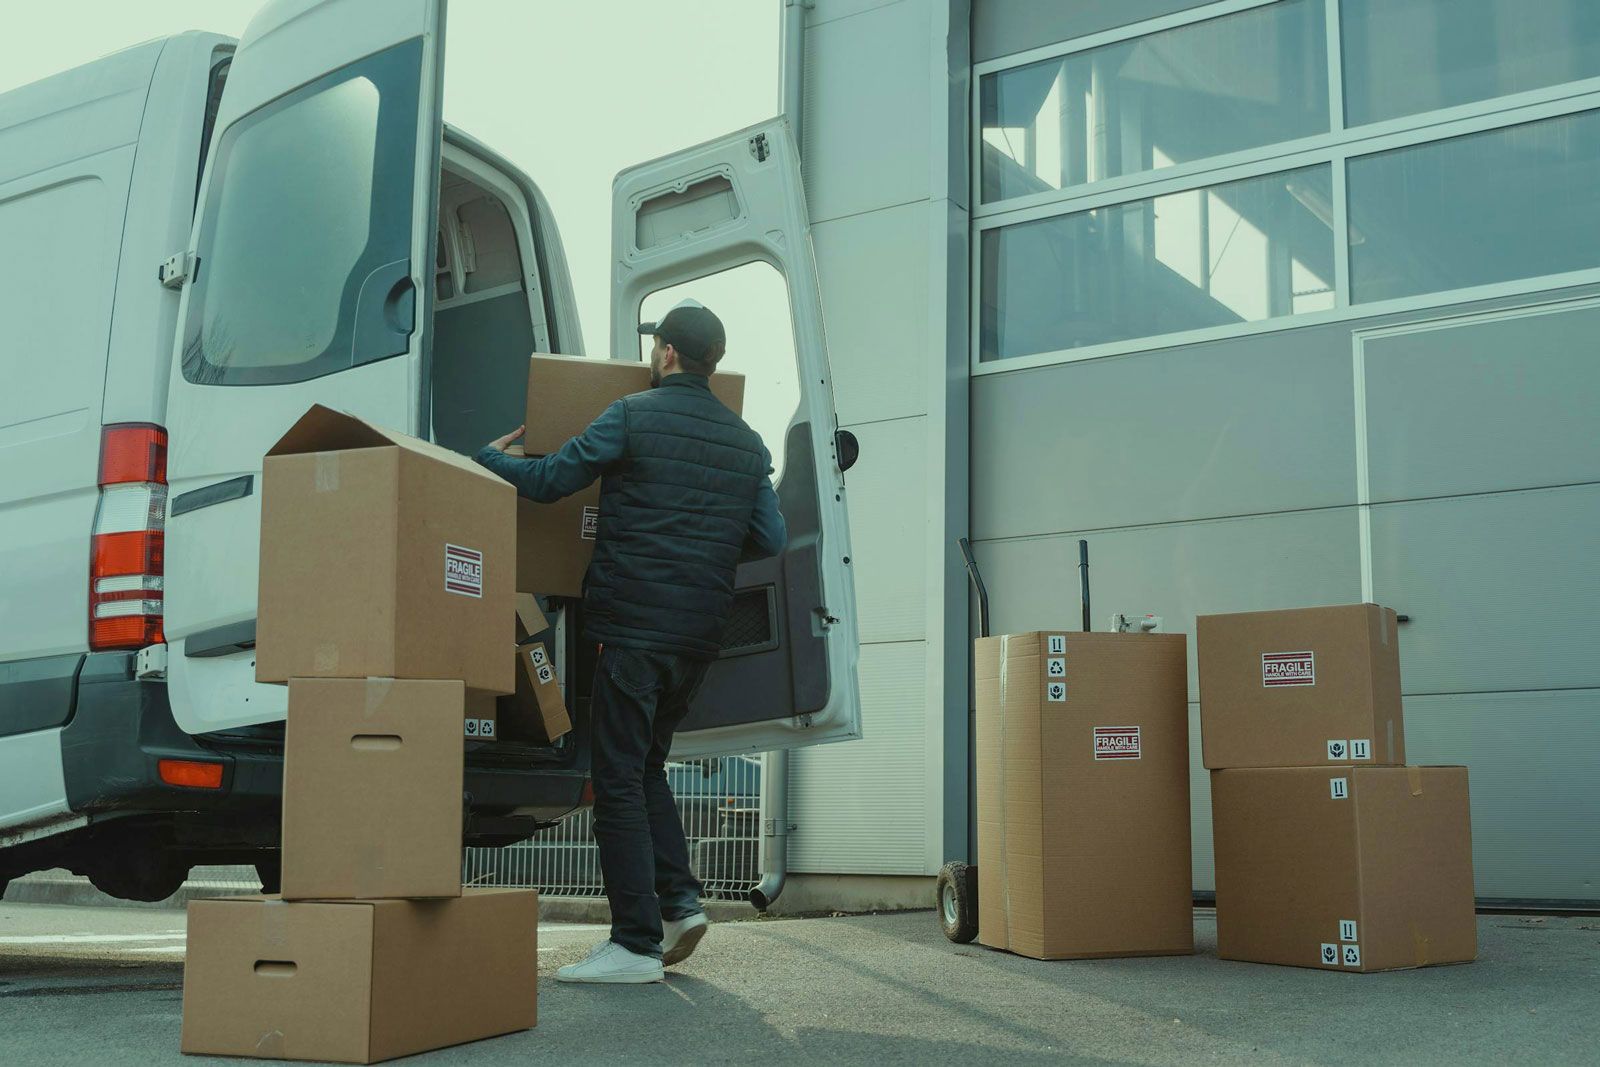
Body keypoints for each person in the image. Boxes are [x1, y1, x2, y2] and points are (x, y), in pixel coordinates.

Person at [475, 299, 786, 984]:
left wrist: (488, 460)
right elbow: (771, 538)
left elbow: (553, 479)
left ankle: (635, 942)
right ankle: (678, 903)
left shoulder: (631, 415)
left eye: (656, 346)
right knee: (645, 767)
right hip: (695, 640)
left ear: (667, 353)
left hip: (631, 629)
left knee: (614, 777)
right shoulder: (746, 442)